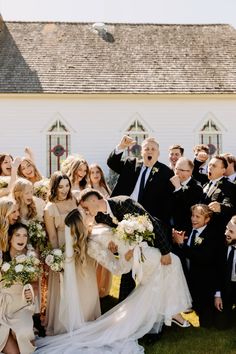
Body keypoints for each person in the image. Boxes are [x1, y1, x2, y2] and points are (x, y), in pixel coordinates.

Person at [35, 208, 191, 354]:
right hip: (135, 256)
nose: (90, 214)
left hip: (141, 251)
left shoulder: (95, 227)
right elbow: (117, 269)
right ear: (81, 223)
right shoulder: (91, 245)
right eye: (85, 214)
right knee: (169, 267)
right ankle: (170, 313)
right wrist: (127, 256)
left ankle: (169, 313)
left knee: (164, 273)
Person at [79, 188, 172, 302]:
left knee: (154, 281)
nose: (86, 211)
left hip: (152, 243)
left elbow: (152, 223)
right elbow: (116, 238)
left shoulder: (124, 203)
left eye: (85, 207)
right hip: (130, 254)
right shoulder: (99, 217)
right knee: (126, 287)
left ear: (93, 200)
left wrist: (165, 251)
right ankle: (124, 308)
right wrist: (114, 248)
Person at [44, 171, 100, 335]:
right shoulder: (50, 208)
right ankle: (67, 322)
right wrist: (58, 259)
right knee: (68, 287)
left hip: (81, 246)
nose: (64, 189)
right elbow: (52, 235)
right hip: (63, 248)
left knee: (85, 282)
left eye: (67, 185)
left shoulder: (74, 200)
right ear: (54, 187)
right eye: (60, 186)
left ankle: (87, 316)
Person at [107, 136, 174, 224]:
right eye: (146, 149)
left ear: (158, 153)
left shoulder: (166, 172)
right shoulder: (130, 164)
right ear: (142, 152)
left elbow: (167, 201)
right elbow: (112, 163)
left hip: (147, 219)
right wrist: (121, 146)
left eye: (153, 149)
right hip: (122, 212)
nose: (149, 151)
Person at [173, 204, 220, 327]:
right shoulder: (188, 229)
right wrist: (177, 241)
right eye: (193, 215)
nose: (193, 219)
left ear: (207, 219)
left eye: (198, 217)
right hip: (188, 277)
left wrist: (182, 245)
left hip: (204, 283)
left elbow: (202, 258)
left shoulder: (212, 235)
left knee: (207, 324)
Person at [0, 223, 36, 354]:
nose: (22, 239)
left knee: (24, 334)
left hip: (20, 306)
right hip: (2, 306)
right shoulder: (1, 256)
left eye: (25, 235)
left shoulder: (30, 257)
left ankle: (22, 334)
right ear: (10, 238)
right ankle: (8, 334)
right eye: (18, 235)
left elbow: (35, 283)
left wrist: (30, 292)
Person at [89, 163, 112, 298]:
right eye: (92, 173)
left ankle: (104, 288)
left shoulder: (105, 189)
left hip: (107, 227)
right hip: (95, 227)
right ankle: (94, 288)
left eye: (98, 172)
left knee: (107, 259)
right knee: (97, 259)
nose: (96, 175)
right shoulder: (88, 190)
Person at [170, 157, 203, 233]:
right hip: (169, 228)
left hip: (184, 230)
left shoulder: (197, 187)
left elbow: (189, 209)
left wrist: (178, 188)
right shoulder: (170, 182)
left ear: (190, 172)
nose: (177, 172)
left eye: (181, 170)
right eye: (176, 168)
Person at [215, 215, 236, 329]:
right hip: (226, 289)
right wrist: (218, 295)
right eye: (226, 229)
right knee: (221, 325)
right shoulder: (221, 246)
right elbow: (217, 273)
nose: (226, 233)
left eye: (231, 231)